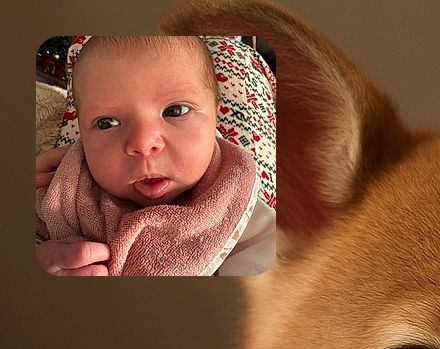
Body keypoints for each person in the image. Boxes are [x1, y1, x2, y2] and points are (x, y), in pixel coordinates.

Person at [35, 35, 275, 277]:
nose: (143, 143)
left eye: (175, 111)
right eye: (106, 122)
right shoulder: (63, 195)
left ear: (215, 115)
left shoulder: (236, 206)